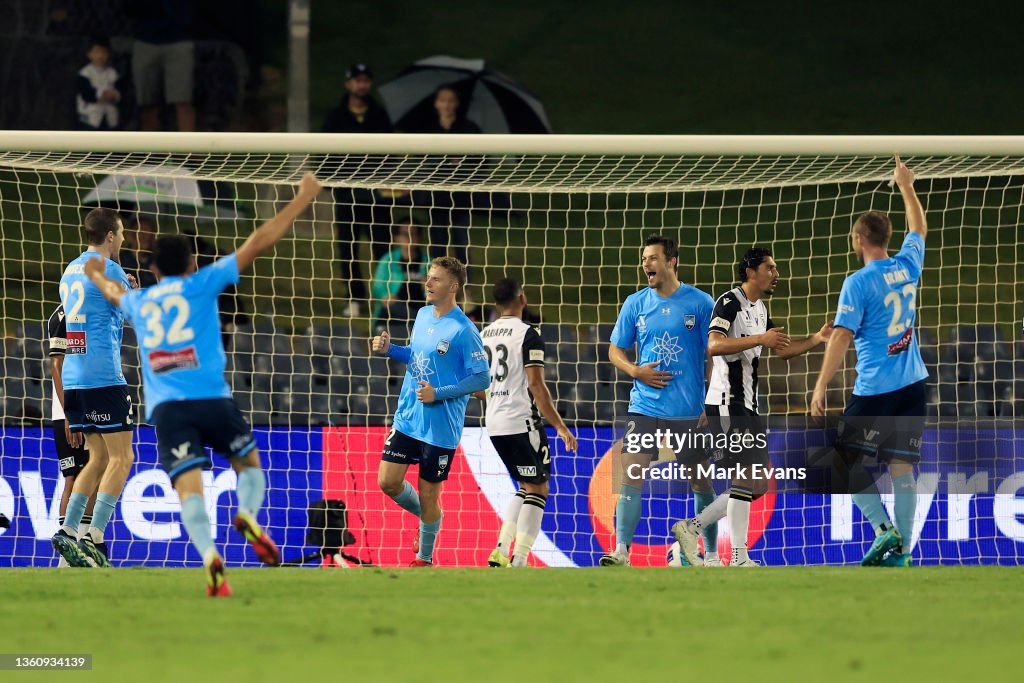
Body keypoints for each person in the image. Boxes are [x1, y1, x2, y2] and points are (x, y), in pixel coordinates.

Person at [82, 172, 322, 596]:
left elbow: (111, 290)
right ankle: (247, 513)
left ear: (152, 268)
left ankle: (212, 558)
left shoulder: (139, 299)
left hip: (169, 412)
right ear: (192, 263)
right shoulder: (203, 283)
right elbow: (259, 242)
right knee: (249, 468)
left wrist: (96, 267)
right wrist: (302, 198)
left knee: (188, 490)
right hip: (213, 400)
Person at [670, 247, 833, 567]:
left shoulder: (760, 308)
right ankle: (739, 557)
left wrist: (816, 338)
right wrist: (760, 338)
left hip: (747, 405)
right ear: (750, 272)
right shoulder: (729, 302)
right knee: (746, 478)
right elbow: (714, 345)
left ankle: (691, 527)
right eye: (770, 268)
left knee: (756, 484)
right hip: (727, 404)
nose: (776, 273)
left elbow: (780, 350)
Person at [811, 154, 928, 568]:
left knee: (841, 464)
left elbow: (841, 336)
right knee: (901, 470)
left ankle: (884, 531)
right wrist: (906, 185)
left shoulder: (858, 282)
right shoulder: (908, 263)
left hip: (878, 387)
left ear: (859, 239)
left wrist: (822, 383)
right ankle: (904, 555)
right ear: (886, 238)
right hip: (914, 383)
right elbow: (918, 227)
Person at [599, 234, 715, 567]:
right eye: (644, 258)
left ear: (671, 261)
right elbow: (614, 350)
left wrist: (710, 397)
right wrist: (635, 370)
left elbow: (714, 352)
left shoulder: (700, 303)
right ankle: (622, 551)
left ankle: (712, 552)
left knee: (699, 478)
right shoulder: (635, 304)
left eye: (652, 258)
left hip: (686, 408)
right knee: (632, 472)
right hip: (645, 405)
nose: (646, 264)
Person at [371, 257, 490, 566]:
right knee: (388, 482)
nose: (428, 283)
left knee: (428, 496)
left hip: (440, 427)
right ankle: (430, 517)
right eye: (429, 277)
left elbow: (481, 379)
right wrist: (390, 350)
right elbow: (415, 355)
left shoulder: (464, 330)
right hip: (409, 416)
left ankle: (425, 559)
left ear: (453, 286)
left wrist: (439, 393)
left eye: (435, 279)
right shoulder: (423, 315)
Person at [50, 208, 136, 569]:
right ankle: (94, 537)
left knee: (98, 456)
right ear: (111, 236)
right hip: (104, 377)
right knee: (123, 457)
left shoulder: (68, 271)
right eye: (121, 234)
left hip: (74, 378)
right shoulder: (109, 269)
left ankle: (68, 531)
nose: (123, 240)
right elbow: (134, 313)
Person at [476, 278, 577, 567]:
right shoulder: (528, 334)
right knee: (539, 487)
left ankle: (501, 548)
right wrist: (559, 426)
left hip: (494, 423)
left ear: (496, 304)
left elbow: (479, 386)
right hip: (522, 422)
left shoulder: (483, 335)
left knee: (525, 484)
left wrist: (497, 397)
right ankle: (519, 559)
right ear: (523, 298)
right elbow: (536, 384)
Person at [322, 63, 395, 318]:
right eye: (357, 80)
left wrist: (388, 181)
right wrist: (332, 184)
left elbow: (391, 152)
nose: (361, 85)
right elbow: (324, 154)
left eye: (365, 80)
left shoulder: (380, 115)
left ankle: (384, 297)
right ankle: (354, 297)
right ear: (348, 84)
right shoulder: (335, 117)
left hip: (377, 196)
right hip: (347, 194)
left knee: (382, 247)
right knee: (348, 247)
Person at [47, 303, 98, 567]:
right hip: (68, 410)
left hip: (95, 406)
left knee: (95, 477)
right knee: (73, 478)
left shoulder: (95, 307)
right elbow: (57, 365)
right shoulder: (63, 315)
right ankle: (66, 558)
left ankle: (83, 546)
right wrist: (69, 412)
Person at [414, 85, 482, 267]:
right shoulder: (427, 129)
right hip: (436, 195)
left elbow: (482, 160)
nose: (447, 104)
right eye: (443, 100)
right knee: (438, 244)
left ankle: (465, 289)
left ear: (457, 103)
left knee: (462, 244)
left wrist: (464, 163)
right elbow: (421, 159)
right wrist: (444, 161)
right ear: (436, 103)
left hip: (461, 195)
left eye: (451, 100)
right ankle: (439, 288)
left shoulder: (469, 127)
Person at [129, 0, 197, 131]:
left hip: (179, 40)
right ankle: (150, 150)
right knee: (147, 104)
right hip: (145, 39)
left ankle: (188, 149)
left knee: (183, 101)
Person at [370, 221, 429, 335]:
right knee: (393, 306)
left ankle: (420, 324)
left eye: (413, 234)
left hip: (421, 309)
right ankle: (423, 325)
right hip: (394, 310)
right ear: (397, 237)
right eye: (404, 234)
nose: (409, 237)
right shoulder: (388, 260)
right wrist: (385, 296)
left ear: (419, 237)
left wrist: (428, 288)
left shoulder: (429, 263)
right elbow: (378, 287)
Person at [76, 35, 120, 131]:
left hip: (109, 117)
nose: (100, 56)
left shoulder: (112, 73)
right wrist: (102, 95)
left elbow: (119, 91)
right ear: (89, 54)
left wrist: (115, 95)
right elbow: (86, 94)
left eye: (103, 52)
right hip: (90, 117)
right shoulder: (85, 73)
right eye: (96, 52)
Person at [120, 214, 158, 288]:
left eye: (149, 231)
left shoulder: (157, 259)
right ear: (130, 235)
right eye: (141, 232)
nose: (146, 236)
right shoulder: (120, 259)